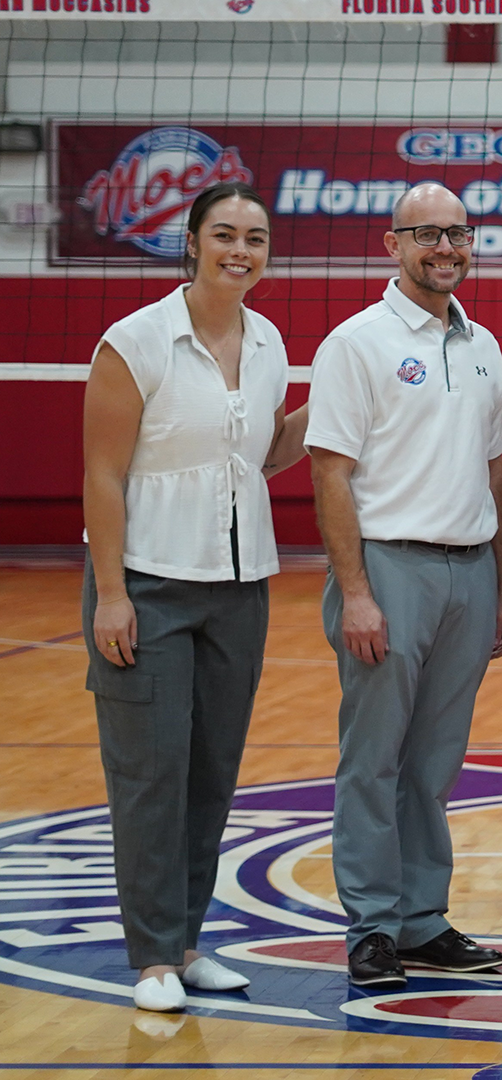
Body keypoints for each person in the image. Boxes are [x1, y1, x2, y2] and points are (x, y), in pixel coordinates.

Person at [80, 182, 308, 1012]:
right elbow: (102, 474)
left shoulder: (271, 339)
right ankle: (150, 962)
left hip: (239, 586)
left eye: (255, 237)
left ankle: (185, 941)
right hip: (146, 582)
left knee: (211, 775)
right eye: (224, 234)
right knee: (150, 775)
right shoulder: (135, 341)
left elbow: (261, 455)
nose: (240, 250)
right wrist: (112, 593)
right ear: (192, 240)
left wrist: (336, 405)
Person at [307, 183, 502, 989]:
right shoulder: (354, 343)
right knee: (374, 761)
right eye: (426, 234)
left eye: (457, 234)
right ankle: (371, 927)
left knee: (434, 763)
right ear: (391, 244)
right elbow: (331, 474)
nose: (445, 247)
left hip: (469, 571)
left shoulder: (482, 344)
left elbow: (494, 472)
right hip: (388, 569)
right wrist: (355, 592)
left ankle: (422, 920)